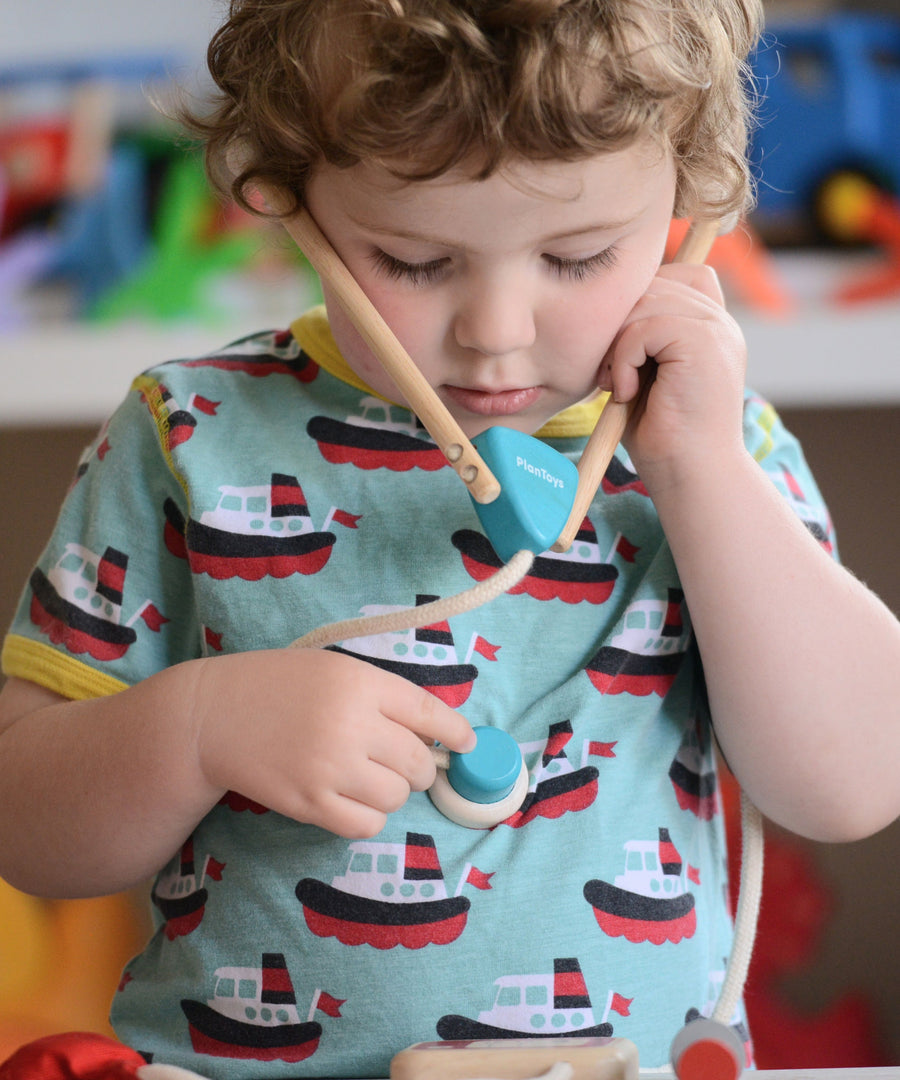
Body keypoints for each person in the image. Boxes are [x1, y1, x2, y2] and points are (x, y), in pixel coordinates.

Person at [2, 1, 899, 1076]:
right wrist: (200, 731)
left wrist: (700, 470)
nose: (497, 330)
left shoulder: (714, 440)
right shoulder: (188, 435)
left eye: (578, 256)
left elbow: (854, 783)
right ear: (290, 199)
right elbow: (27, 827)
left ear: (692, 195)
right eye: (415, 260)